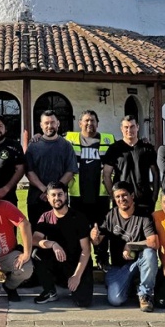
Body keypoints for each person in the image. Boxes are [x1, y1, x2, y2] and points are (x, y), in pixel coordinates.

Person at [90, 181, 159, 312]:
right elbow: (97, 241)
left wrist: (130, 245)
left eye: (124, 195)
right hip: (119, 266)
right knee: (115, 300)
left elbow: (153, 242)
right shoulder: (110, 215)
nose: (121, 199)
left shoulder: (143, 214)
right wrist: (94, 236)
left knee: (149, 254)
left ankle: (145, 294)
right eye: (118, 197)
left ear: (132, 196)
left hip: (138, 263)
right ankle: (132, 285)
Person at [30, 182, 93, 307]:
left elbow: (86, 250)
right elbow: (35, 239)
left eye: (60, 194)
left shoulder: (78, 217)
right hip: (57, 262)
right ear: (48, 198)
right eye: (53, 195)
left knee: (83, 302)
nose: (56, 198)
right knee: (36, 253)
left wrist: (76, 276)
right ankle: (50, 291)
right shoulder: (46, 217)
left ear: (65, 195)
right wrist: (52, 244)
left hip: (76, 263)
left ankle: (74, 283)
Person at [66, 110, 115, 267]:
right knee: (79, 230)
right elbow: (52, 140)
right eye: (86, 120)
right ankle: (82, 263)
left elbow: (124, 149)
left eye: (92, 120)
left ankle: (102, 260)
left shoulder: (108, 140)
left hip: (100, 195)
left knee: (102, 229)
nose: (89, 123)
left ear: (97, 123)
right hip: (78, 195)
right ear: (79, 123)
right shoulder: (69, 140)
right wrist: (37, 137)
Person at [24, 110, 77, 227]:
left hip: (59, 200)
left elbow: (70, 171)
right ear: (41, 125)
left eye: (52, 122)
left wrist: (54, 192)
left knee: (61, 234)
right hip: (36, 198)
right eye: (46, 123)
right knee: (36, 233)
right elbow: (29, 172)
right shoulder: (33, 146)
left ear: (58, 123)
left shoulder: (66, 145)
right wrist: (45, 190)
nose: (49, 126)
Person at [102, 115, 160, 217]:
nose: (129, 130)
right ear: (121, 129)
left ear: (137, 127)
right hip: (122, 201)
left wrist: (154, 196)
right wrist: (114, 196)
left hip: (144, 200)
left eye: (132, 126)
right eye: (126, 127)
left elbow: (156, 173)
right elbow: (106, 174)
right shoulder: (114, 149)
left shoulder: (147, 148)